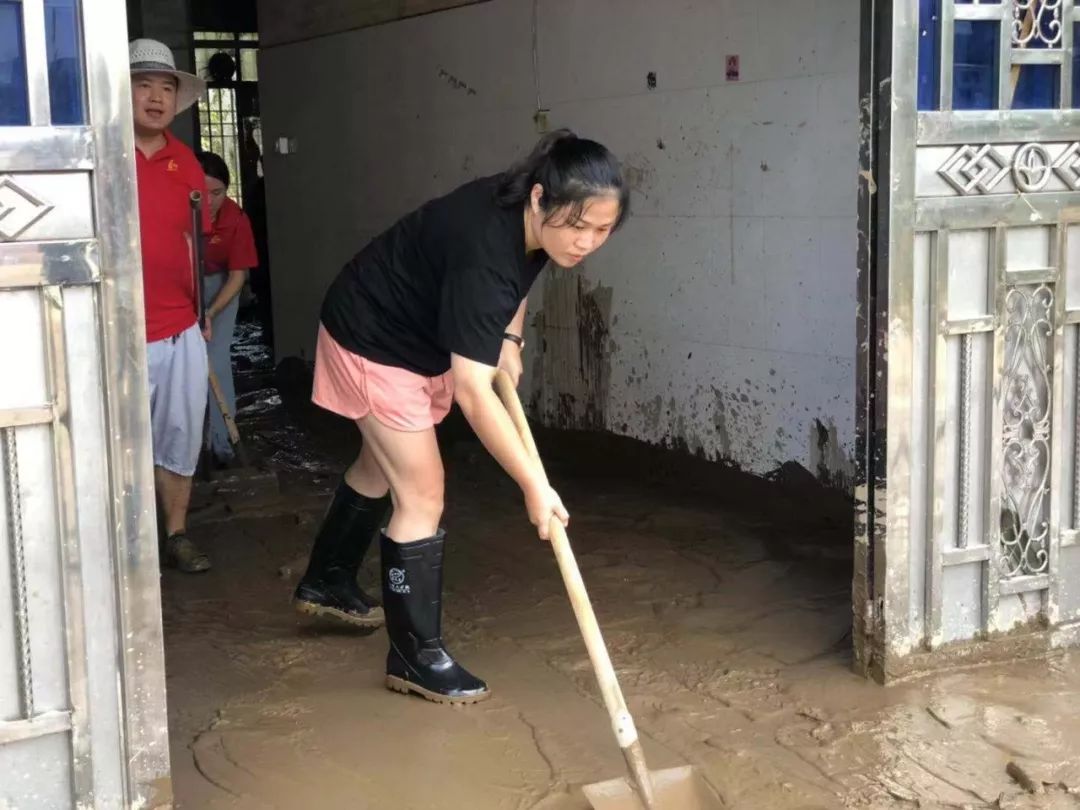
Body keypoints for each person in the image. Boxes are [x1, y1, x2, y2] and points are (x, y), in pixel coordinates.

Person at [293, 129, 629, 704]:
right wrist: (534, 484)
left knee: (382, 469)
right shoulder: (485, 253)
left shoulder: (527, 213)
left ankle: (326, 582)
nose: (586, 243)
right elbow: (474, 393)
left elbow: (520, 276)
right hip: (374, 338)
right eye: (578, 227)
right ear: (539, 199)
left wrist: (510, 337)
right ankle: (414, 659)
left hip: (414, 331)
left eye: (601, 230)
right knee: (422, 495)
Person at [129, 39, 213, 573]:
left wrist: (203, 311)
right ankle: (128, 545)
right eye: (143, 85)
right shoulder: (103, 152)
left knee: (179, 435)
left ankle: (177, 533)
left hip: (180, 327)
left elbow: (196, 245)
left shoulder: (186, 162)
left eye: (166, 87)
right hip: (116, 329)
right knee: (119, 440)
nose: (157, 97)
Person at [196, 151, 259, 466]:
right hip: (177, 285)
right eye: (201, 193)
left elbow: (238, 277)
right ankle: (186, 449)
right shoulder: (173, 212)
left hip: (221, 287)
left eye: (217, 193)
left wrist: (209, 312)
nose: (209, 201)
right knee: (181, 368)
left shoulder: (235, 219)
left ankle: (222, 445)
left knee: (216, 361)